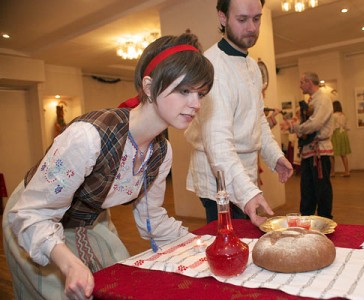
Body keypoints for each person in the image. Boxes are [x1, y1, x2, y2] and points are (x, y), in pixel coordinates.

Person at [2, 33, 214, 300]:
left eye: (200, 93)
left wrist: (199, 245)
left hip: (89, 218)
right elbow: (32, 214)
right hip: (35, 215)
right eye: (184, 90)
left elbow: (152, 218)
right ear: (149, 87)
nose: (195, 104)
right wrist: (70, 265)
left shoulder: (162, 151)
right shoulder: (88, 137)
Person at [185, 0, 293, 226]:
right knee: (230, 250)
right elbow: (217, 144)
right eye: (242, 19)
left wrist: (275, 156)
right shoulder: (212, 66)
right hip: (219, 179)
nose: (252, 28)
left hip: (244, 172)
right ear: (222, 18)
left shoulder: (252, 66)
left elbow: (257, 118)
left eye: (257, 18)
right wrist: (247, 192)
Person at [280, 72, 334, 219]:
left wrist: (295, 128)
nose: (300, 85)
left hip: (319, 151)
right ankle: (306, 220)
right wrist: (293, 126)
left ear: (309, 82)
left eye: (302, 82)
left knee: (321, 188)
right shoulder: (312, 100)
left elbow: (316, 123)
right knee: (307, 188)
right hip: (309, 151)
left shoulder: (322, 99)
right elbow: (308, 123)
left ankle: (324, 220)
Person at [330, 100, 351, 177]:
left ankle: (332, 172)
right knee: (343, 154)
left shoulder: (333, 116)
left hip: (336, 134)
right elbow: (347, 127)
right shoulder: (343, 115)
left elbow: (331, 127)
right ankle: (347, 171)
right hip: (343, 133)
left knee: (331, 154)